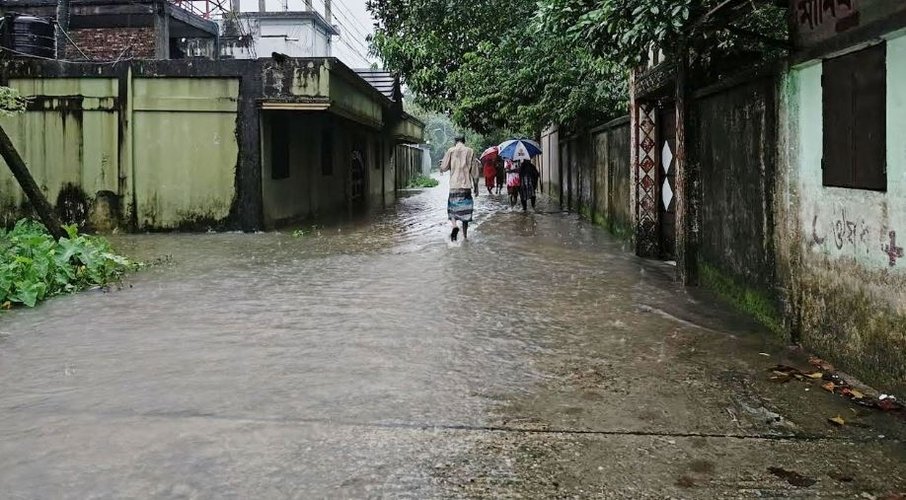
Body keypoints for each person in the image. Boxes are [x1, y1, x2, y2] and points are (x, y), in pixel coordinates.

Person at [439, 135, 480, 241]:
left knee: (452, 209)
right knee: (465, 212)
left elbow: (444, 167)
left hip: (454, 186)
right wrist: (476, 187)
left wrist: (442, 165)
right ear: (464, 141)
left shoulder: (451, 151)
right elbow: (475, 172)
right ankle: (465, 236)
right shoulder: (470, 151)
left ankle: (454, 226)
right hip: (466, 186)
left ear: (455, 141)